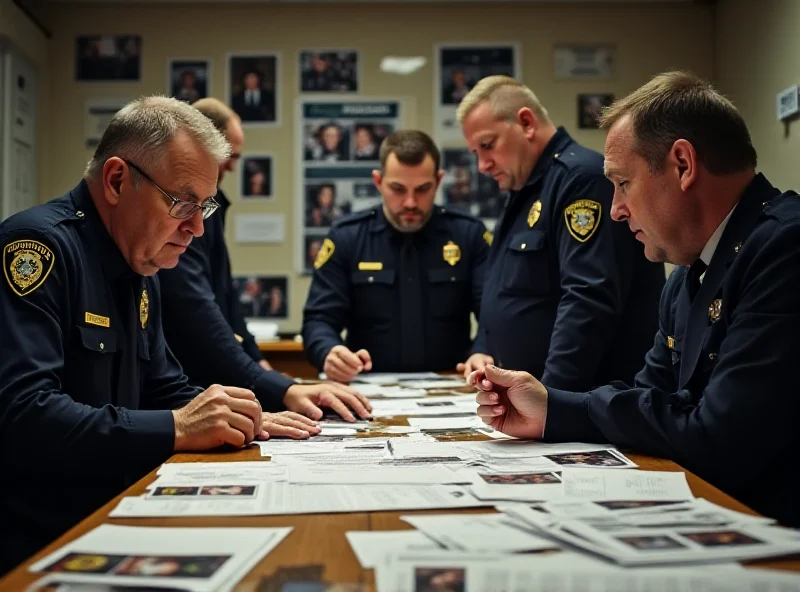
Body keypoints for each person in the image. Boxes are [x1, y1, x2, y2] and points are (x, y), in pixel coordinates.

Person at [0, 96, 321, 574]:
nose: (195, 228)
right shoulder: (37, 250)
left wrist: (242, 414)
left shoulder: (140, 261)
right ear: (116, 180)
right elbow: (23, 414)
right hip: (41, 542)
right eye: (182, 203)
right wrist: (178, 426)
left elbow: (163, 384)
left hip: (117, 515)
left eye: (204, 207)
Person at [470, 71, 800, 527]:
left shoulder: (784, 249)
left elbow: (718, 438)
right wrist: (549, 408)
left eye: (623, 183)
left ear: (683, 165)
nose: (616, 209)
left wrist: (581, 406)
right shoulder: (685, 277)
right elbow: (648, 399)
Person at [159, 98, 371, 423]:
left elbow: (225, 300)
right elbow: (196, 308)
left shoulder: (207, 210)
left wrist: (260, 366)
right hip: (195, 383)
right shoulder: (186, 213)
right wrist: (275, 387)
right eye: (228, 157)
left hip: (203, 388)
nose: (231, 166)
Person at [456, 75, 666, 390]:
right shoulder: (526, 191)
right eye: (475, 153)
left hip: (588, 400)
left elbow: (588, 301)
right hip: (534, 400)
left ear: (526, 123)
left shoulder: (581, 180)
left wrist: (550, 402)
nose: (483, 165)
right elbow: (500, 289)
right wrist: (483, 346)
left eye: (487, 145)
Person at [302, 130, 490, 383]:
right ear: (378, 181)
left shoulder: (468, 234)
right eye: (398, 189)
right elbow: (319, 319)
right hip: (369, 387)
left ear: (438, 180)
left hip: (451, 383)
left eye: (423, 189)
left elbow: (492, 312)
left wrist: (483, 350)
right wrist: (329, 352)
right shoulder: (347, 237)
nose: (410, 202)